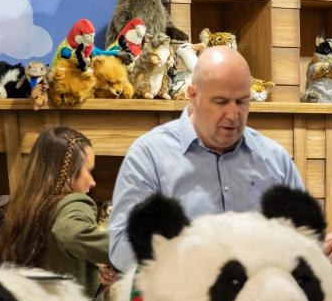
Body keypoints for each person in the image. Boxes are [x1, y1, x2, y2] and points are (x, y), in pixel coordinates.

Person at [107, 45, 305, 271]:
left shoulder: (275, 159)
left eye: (242, 101)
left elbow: (304, 236)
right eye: (220, 102)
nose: (233, 115)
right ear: (193, 95)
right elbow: (122, 248)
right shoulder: (149, 156)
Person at [0, 126, 116, 301]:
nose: (92, 181)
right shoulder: (74, 202)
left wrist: (97, 272)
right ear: (66, 174)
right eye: (88, 171)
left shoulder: (26, 206)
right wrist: (129, 248)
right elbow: (69, 233)